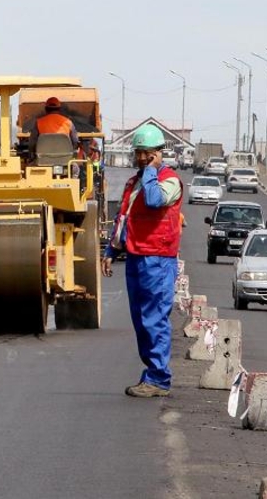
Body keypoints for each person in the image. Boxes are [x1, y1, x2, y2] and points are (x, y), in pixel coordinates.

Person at [101, 123, 183, 398]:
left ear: (158, 154)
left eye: (145, 153)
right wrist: (111, 251)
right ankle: (152, 374)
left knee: (154, 320)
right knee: (141, 321)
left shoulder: (169, 181)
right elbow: (123, 218)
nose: (140, 158)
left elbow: (153, 200)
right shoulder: (133, 182)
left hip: (158, 261)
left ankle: (159, 379)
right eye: (138, 153)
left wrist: (150, 171)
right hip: (137, 257)